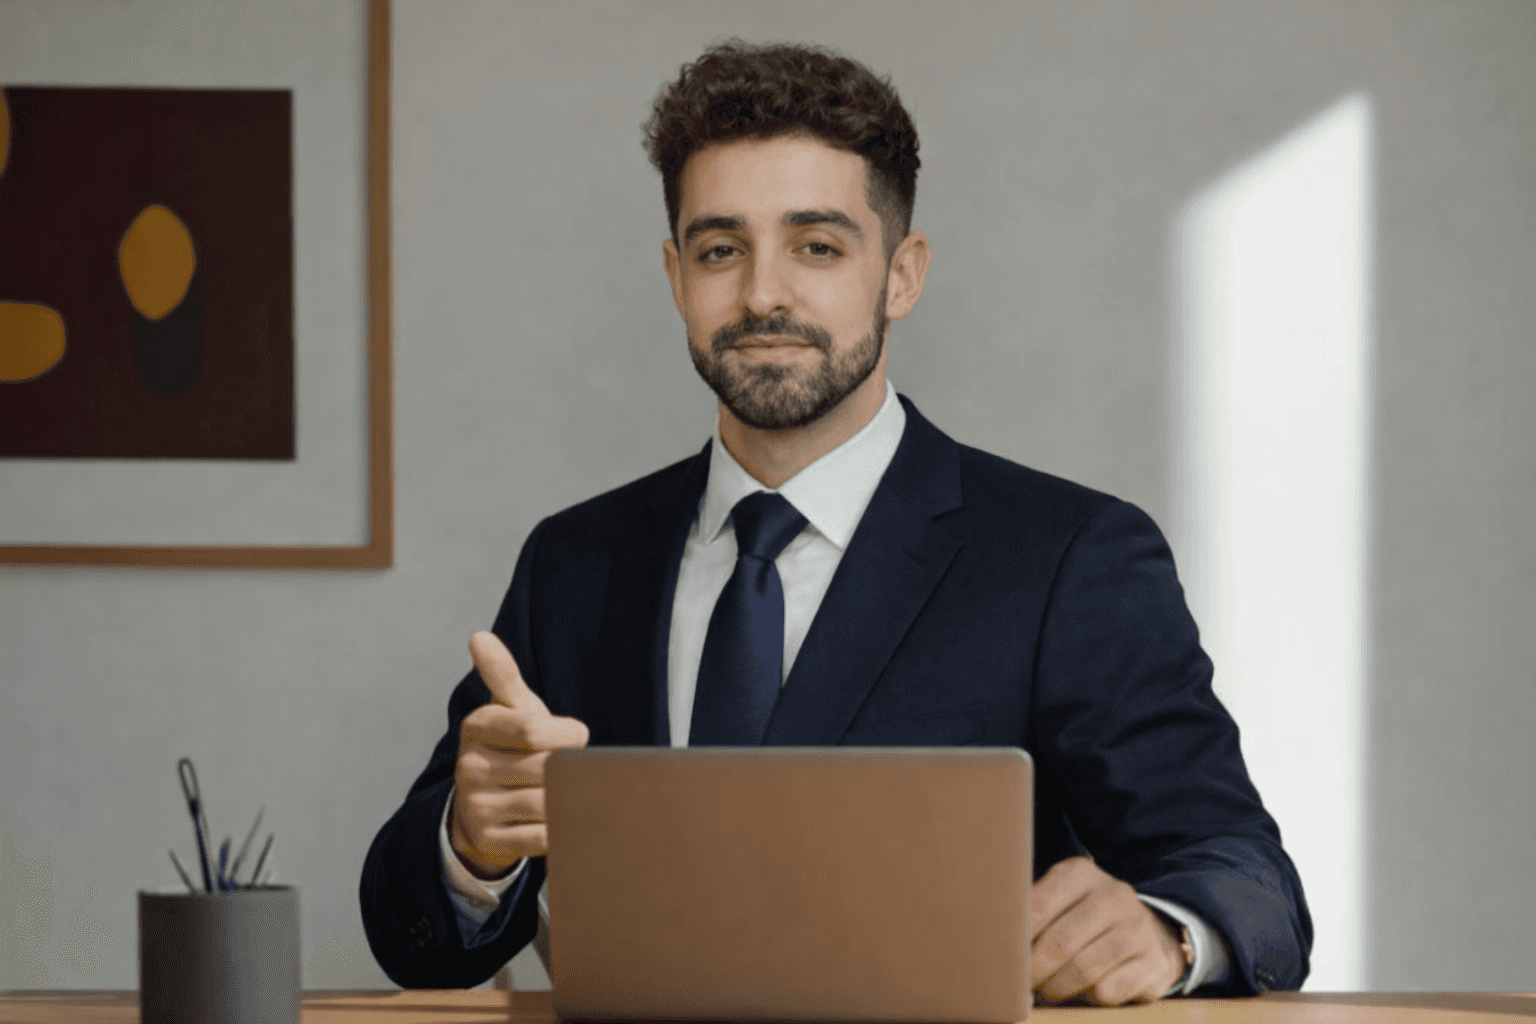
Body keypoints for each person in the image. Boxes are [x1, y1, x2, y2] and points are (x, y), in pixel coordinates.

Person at [360, 40, 1311, 1004]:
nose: (763, 293)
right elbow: (420, 944)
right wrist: (471, 846)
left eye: (817, 246)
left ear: (901, 275)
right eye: (720, 249)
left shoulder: (1069, 555)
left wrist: (1168, 933)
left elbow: (1248, 878)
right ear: (674, 276)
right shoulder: (576, 562)